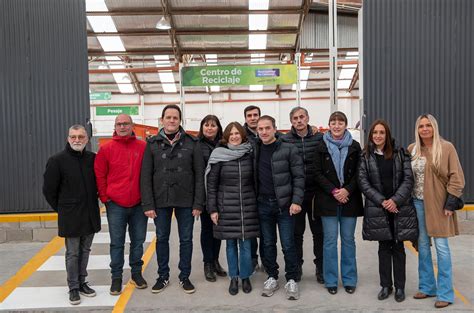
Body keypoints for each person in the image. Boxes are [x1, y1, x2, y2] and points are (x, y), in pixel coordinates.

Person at [140, 104, 205, 294]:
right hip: (160, 200)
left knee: (186, 239)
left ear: (180, 121)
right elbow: (145, 176)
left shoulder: (193, 143)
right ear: (162, 120)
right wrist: (148, 203)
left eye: (175, 118)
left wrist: (198, 203)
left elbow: (199, 174)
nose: (171, 121)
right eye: (168, 117)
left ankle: (185, 276)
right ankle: (163, 276)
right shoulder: (151, 144)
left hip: (186, 200)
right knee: (162, 238)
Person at [408, 114, 465, 309]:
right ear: (417, 129)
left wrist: (450, 204)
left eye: (428, 126)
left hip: (439, 205)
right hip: (417, 204)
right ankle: (427, 286)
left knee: (441, 248)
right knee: (422, 246)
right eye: (421, 126)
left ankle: (445, 293)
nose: (425, 129)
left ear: (434, 128)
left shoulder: (446, 147)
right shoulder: (412, 149)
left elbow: (457, 177)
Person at [358, 120, 418, 302]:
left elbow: (408, 180)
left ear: (387, 134)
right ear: (371, 135)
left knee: (398, 247)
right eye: (375, 132)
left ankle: (400, 287)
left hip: (399, 207)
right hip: (379, 208)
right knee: (383, 247)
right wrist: (383, 201)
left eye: (381, 132)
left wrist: (394, 200)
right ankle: (386, 285)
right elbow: (363, 182)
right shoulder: (365, 156)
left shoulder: (401, 153)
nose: (378, 136)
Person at [43, 125, 101, 305]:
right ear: (68, 138)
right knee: (73, 253)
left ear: (87, 139)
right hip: (71, 216)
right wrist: (63, 209)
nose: (77, 140)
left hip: (90, 213)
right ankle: (73, 287)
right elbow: (49, 191)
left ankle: (83, 282)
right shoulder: (57, 160)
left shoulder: (93, 159)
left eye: (81, 136)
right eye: (73, 136)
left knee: (85, 250)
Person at [94, 114, 148, 295]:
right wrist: (105, 198)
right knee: (117, 243)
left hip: (139, 204)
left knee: (138, 241)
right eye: (119, 124)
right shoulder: (106, 149)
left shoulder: (143, 147)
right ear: (115, 126)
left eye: (126, 123)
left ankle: (136, 273)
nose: (122, 126)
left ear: (132, 125)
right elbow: (100, 174)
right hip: (115, 204)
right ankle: (116, 278)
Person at [206, 122, 259, 295]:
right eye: (231, 134)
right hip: (225, 207)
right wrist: (213, 209)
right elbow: (212, 185)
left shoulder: (250, 153)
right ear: (226, 136)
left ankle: (245, 276)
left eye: (238, 133)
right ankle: (233, 277)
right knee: (230, 245)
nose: (235, 136)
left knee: (245, 244)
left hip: (247, 206)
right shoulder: (219, 155)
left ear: (243, 135)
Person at [313, 111, 363, 295]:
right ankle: (331, 279)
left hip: (350, 199)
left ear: (345, 125)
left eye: (340, 122)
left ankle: (350, 279)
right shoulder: (320, 146)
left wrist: (347, 190)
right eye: (333, 122)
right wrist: (334, 191)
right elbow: (316, 173)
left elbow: (360, 173)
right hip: (328, 200)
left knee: (349, 241)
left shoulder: (355, 147)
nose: (336, 125)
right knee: (330, 241)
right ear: (329, 125)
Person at [255, 115, 305, 300]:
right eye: (260, 129)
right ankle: (272, 276)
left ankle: (291, 279)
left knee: (288, 244)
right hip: (262, 204)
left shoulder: (288, 149)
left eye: (267, 128)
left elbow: (299, 177)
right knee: (267, 244)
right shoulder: (255, 148)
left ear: (275, 128)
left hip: (284, 206)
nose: (264, 132)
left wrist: (296, 201)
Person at [281, 106, 325, 283]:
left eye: (302, 117)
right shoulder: (284, 140)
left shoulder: (319, 137)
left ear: (308, 118)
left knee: (318, 234)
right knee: (296, 235)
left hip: (316, 195)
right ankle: (297, 267)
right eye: (295, 118)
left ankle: (320, 268)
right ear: (291, 121)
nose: (299, 121)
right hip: (295, 196)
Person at [197, 115, 227, 282]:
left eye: (213, 125)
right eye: (206, 125)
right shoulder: (197, 145)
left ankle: (215, 261)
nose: (209, 128)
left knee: (218, 230)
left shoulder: (224, 145)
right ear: (202, 128)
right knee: (207, 229)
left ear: (218, 128)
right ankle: (207, 263)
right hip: (205, 194)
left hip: (221, 194)